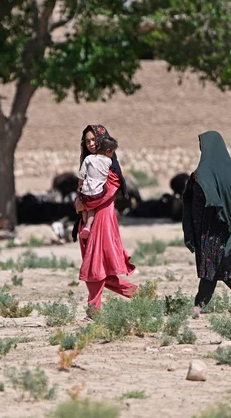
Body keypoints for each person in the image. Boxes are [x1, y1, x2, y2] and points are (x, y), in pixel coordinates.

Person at [182, 131, 231, 316]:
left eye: (202, 143)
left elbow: (226, 199)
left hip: (216, 229)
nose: (200, 147)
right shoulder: (202, 170)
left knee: (210, 266)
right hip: (202, 228)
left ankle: (199, 305)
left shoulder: (225, 170)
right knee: (223, 267)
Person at [74, 125, 137, 320]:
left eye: (94, 140)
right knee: (100, 270)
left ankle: (94, 311)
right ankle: (141, 295)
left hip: (102, 221)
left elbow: (103, 195)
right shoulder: (88, 163)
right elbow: (83, 187)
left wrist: (82, 203)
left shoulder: (112, 171)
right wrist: (80, 203)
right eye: (87, 141)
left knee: (95, 267)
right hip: (88, 223)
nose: (91, 144)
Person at [77, 136, 119, 240]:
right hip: (98, 192)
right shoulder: (109, 162)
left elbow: (82, 174)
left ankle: (84, 225)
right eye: (112, 152)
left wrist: (80, 186)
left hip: (86, 190)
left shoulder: (88, 158)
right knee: (92, 208)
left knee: (85, 208)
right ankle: (88, 226)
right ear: (108, 151)